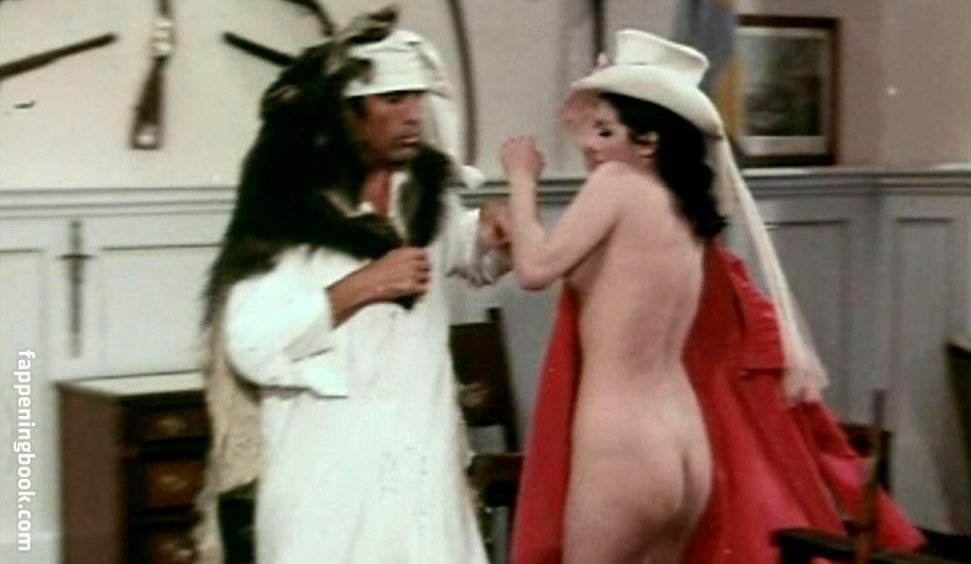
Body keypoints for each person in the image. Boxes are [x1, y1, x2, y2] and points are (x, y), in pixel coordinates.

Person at [501, 30, 924, 564]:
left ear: (648, 142)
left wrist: (521, 179)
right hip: (684, 445)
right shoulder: (686, 211)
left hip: (623, 444)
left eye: (605, 131)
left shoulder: (617, 184)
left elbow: (535, 269)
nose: (591, 145)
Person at [193, 8, 510, 563]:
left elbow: (464, 254)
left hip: (423, 464)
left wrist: (491, 236)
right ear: (348, 114)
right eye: (393, 100)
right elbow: (250, 343)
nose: (413, 115)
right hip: (331, 475)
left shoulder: (422, 196)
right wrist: (360, 286)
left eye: (416, 97)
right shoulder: (290, 217)